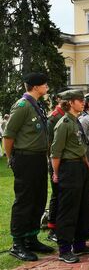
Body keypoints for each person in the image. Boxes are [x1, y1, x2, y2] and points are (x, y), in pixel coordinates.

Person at [2, 73, 55, 261]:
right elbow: (8, 136)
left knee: (38, 198)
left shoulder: (36, 105)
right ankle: (18, 244)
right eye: (44, 84)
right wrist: (11, 159)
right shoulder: (23, 106)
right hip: (25, 159)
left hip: (39, 158)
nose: (47, 87)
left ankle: (31, 238)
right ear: (35, 87)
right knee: (24, 201)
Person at [51, 90, 89, 263]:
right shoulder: (64, 123)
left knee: (85, 206)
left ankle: (79, 244)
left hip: (80, 166)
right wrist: (56, 173)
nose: (83, 103)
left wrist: (85, 162)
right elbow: (56, 152)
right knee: (69, 208)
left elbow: (80, 146)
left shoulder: (76, 120)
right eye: (80, 100)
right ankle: (64, 248)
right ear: (71, 102)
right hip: (69, 168)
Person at [46, 89, 69, 243]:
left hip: (67, 162)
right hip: (57, 162)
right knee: (57, 196)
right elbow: (49, 144)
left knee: (65, 196)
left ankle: (62, 226)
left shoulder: (66, 117)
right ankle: (53, 228)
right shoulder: (55, 118)